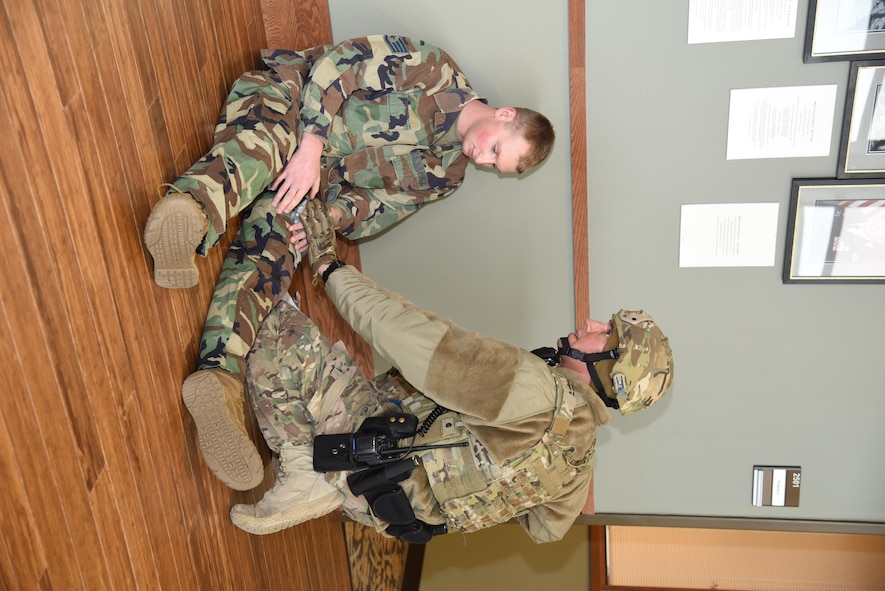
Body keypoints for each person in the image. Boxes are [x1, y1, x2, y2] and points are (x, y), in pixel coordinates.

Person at [142, 35, 555, 491]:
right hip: (287, 105)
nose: (484, 160)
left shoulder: (447, 175)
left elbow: (376, 208)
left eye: (496, 166)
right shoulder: (434, 70)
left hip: (313, 183)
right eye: (497, 149)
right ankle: (190, 212)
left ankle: (220, 376)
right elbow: (337, 67)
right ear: (505, 115)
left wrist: (329, 218)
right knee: (266, 149)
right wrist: (311, 147)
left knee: (274, 255)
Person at [226, 200, 674, 543]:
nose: (594, 324)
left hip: (362, 456)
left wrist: (329, 266)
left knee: (277, 325)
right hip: (389, 511)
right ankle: (318, 462)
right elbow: (544, 529)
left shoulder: (535, 387)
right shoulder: (580, 460)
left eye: (606, 334)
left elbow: (405, 335)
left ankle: (305, 470)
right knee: (373, 386)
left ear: (610, 368)